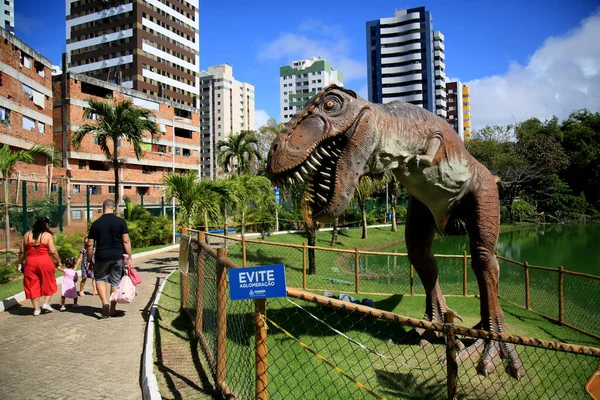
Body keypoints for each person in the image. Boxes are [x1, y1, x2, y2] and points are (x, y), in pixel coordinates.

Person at [87, 199, 132, 318]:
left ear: (103, 208)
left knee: (100, 279)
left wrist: (88, 259)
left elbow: (90, 244)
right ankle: (112, 309)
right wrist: (129, 255)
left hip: (101, 256)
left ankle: (105, 303)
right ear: (114, 208)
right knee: (115, 281)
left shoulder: (96, 224)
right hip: (117, 256)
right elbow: (126, 240)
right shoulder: (120, 222)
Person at [17, 216, 62, 316]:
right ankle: (46, 303)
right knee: (49, 281)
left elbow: (22, 251)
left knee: (32, 284)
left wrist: (20, 262)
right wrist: (58, 261)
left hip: (30, 262)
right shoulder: (47, 235)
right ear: (46, 225)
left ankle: (36, 309)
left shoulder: (27, 235)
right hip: (45, 261)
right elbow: (53, 251)